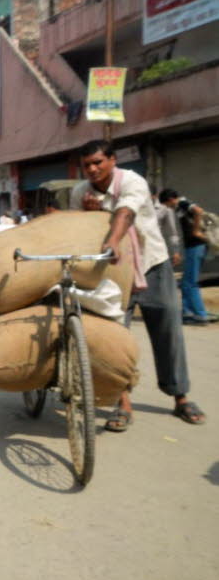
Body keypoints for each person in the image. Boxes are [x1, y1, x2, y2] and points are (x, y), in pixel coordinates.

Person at [69, 139, 204, 429]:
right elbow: (78, 229)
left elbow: (126, 212)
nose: (92, 169)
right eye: (87, 165)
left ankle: (180, 396)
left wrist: (112, 240)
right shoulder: (80, 192)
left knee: (168, 332)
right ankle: (122, 402)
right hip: (110, 273)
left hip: (151, 264)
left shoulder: (133, 181)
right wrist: (89, 214)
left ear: (112, 160)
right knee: (114, 340)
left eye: (98, 162)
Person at [173, 192, 217, 324]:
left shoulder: (182, 203)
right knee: (187, 282)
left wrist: (196, 231)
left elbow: (198, 211)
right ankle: (188, 313)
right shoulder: (183, 203)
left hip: (195, 246)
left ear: (170, 199)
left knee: (190, 282)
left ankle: (200, 314)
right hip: (195, 246)